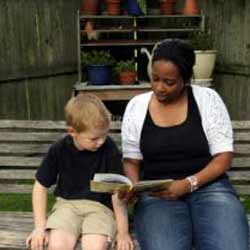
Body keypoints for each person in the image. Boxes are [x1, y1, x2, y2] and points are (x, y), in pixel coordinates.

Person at [121, 39, 249, 250]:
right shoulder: (137, 107)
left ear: (186, 79)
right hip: (157, 195)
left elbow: (223, 157)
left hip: (209, 188)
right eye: (154, 79)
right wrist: (134, 187)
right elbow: (131, 160)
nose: (159, 88)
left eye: (169, 82)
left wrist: (188, 184)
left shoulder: (208, 100)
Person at [26, 93, 134, 250]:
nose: (101, 141)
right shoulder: (59, 149)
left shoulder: (109, 148)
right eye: (94, 138)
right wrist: (39, 227)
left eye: (104, 135)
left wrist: (123, 232)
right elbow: (40, 186)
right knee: (57, 245)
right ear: (72, 132)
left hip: (100, 209)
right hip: (66, 206)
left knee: (95, 246)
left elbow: (117, 193)